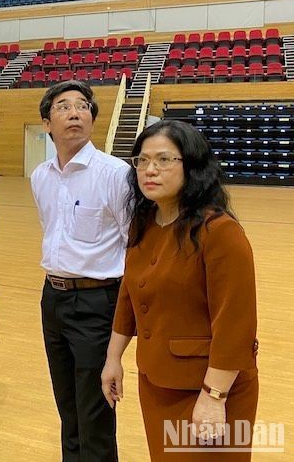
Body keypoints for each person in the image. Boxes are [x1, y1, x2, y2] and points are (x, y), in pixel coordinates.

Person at [101, 120, 259, 460]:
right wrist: (113, 358)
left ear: (192, 166)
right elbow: (129, 295)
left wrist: (214, 396)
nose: (149, 170)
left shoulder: (220, 232)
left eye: (163, 160)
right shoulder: (143, 224)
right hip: (156, 380)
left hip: (209, 386)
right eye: (142, 161)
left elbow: (235, 325)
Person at [30, 80, 130, 461]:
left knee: (95, 411)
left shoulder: (114, 173)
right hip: (52, 298)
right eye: (63, 106)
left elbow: (132, 243)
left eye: (82, 106)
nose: (74, 112)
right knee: (67, 406)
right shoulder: (41, 176)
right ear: (47, 123)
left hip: (96, 302)